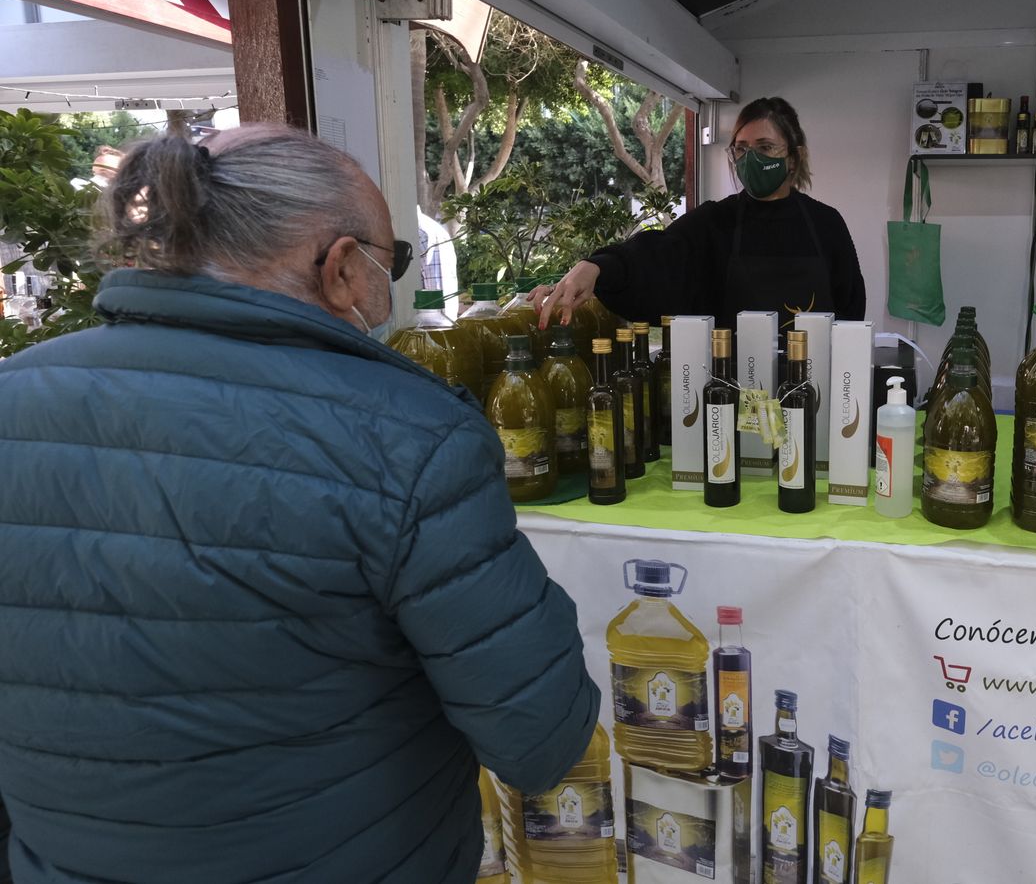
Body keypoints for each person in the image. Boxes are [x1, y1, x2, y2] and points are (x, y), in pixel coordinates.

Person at [0, 125, 599, 883]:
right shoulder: (408, 437)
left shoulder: (12, 394)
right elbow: (540, 737)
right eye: (395, 259)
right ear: (343, 266)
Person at [535, 96, 867, 329]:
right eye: (742, 148)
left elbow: (850, 314)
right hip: (734, 396)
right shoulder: (714, 222)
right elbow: (653, 257)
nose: (750, 159)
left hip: (814, 393)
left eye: (765, 147)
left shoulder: (826, 224)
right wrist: (596, 268)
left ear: (794, 157)